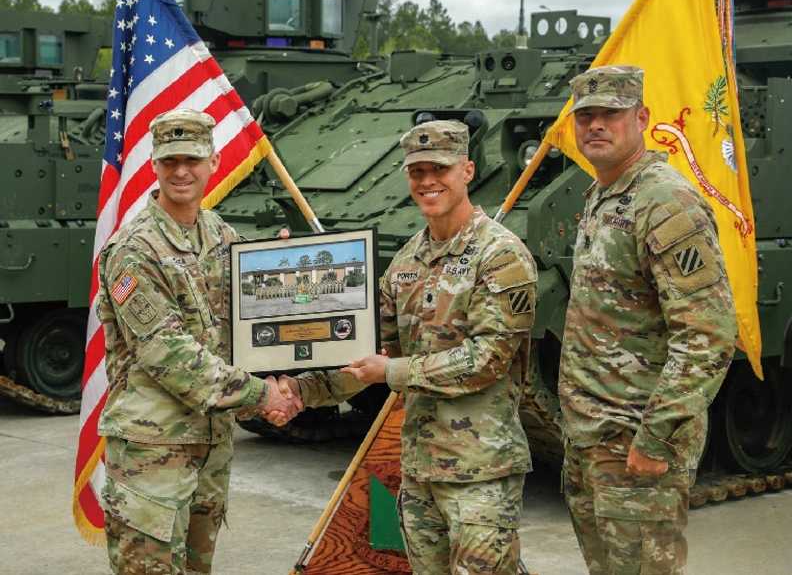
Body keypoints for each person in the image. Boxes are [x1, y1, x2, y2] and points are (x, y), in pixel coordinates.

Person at [276, 120, 538, 574]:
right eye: (417, 172)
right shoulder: (405, 262)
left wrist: (392, 373)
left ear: (467, 170)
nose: (427, 181)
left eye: (440, 169)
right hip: (419, 472)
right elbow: (369, 354)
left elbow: (487, 360)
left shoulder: (500, 255)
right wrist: (301, 391)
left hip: (479, 473)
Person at [96, 108, 302, 574]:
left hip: (209, 445)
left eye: (191, 159)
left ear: (213, 162)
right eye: (170, 161)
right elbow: (167, 353)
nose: (181, 171)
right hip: (154, 452)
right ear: (155, 165)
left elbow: (247, 324)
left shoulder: (220, 236)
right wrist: (262, 395)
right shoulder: (134, 249)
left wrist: (283, 268)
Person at [557, 66, 737, 574]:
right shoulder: (605, 193)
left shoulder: (664, 202)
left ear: (641, 118)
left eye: (610, 114)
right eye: (585, 116)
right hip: (592, 437)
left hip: (635, 437)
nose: (595, 125)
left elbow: (708, 334)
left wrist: (657, 436)